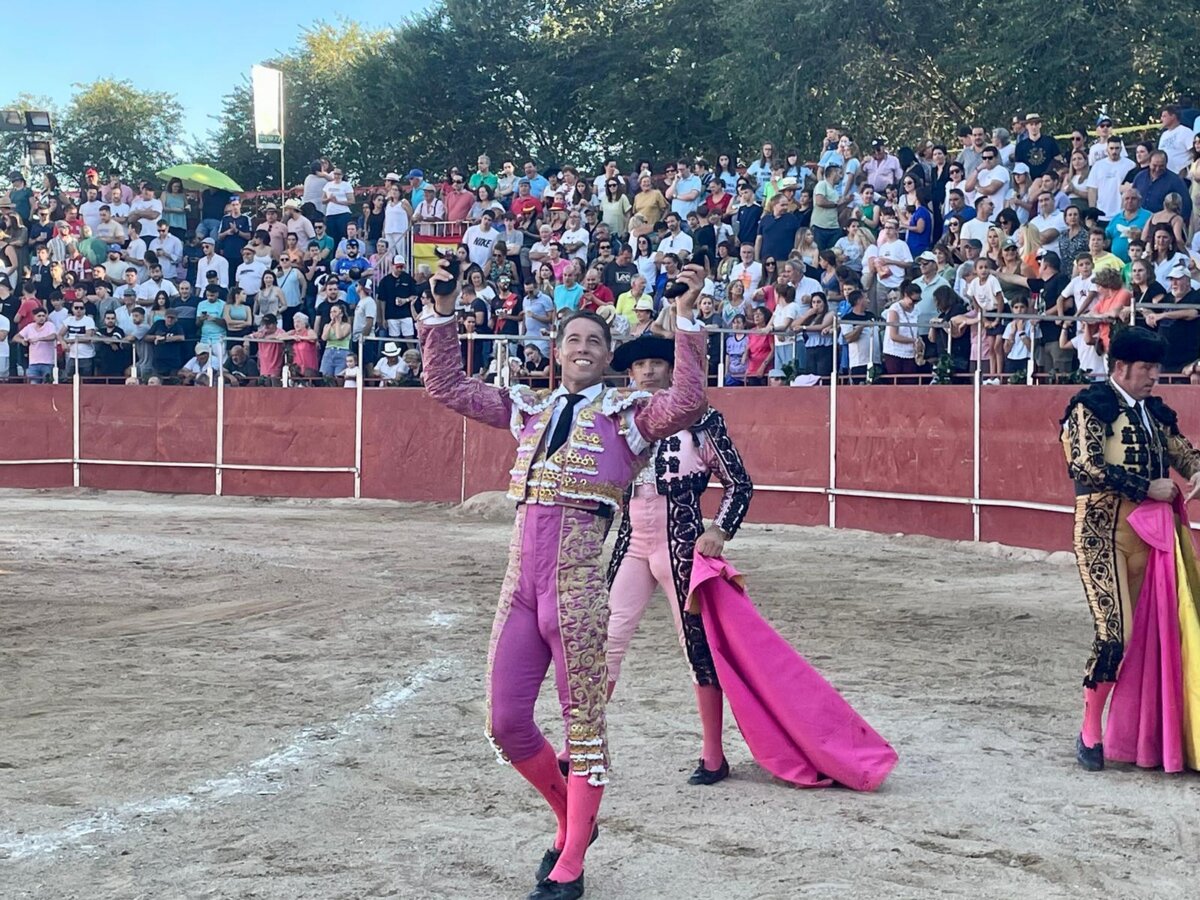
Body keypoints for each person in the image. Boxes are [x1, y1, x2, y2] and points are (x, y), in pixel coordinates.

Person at [416, 261, 708, 900]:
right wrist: (442, 313)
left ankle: (571, 859)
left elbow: (688, 400)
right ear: (556, 352)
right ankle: (569, 820)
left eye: (595, 343)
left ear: (608, 359)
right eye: (573, 340)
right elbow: (445, 386)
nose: (582, 349)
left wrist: (686, 319)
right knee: (505, 722)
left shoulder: (629, 418)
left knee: (584, 728)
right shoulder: (528, 409)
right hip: (518, 588)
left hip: (575, 592)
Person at [604, 335, 753, 784]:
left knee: (697, 648)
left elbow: (739, 484)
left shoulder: (701, 419)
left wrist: (719, 530)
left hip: (684, 542)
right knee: (603, 641)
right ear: (629, 374)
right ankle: (578, 747)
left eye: (657, 363)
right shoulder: (621, 418)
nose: (648, 371)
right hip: (632, 540)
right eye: (640, 365)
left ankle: (713, 756)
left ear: (673, 370)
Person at [1060, 327, 1200, 772]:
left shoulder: (1153, 413)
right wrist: (1146, 486)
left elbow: (1184, 453)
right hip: (1101, 533)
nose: (1154, 376)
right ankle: (1090, 729)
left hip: (1149, 538)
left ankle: (1141, 734)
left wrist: (1198, 471)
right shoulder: (1091, 405)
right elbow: (1084, 464)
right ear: (1120, 367)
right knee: (1114, 635)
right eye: (1146, 368)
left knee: (1153, 637)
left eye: (1157, 368)